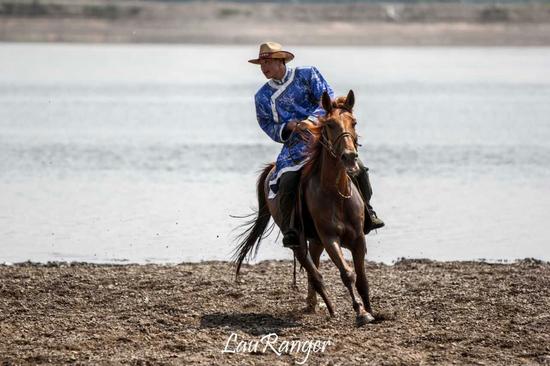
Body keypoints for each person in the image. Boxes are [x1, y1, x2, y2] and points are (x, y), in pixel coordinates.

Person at [249, 42, 384, 248]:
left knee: (360, 170)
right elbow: (266, 124)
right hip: (296, 144)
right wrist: (288, 126)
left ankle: (368, 211)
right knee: (286, 179)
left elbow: (327, 99)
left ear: (280, 61)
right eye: (261, 63)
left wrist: (310, 121)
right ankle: (291, 230)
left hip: (326, 136)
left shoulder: (308, 74)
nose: (264, 67)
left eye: (268, 62)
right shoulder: (262, 96)